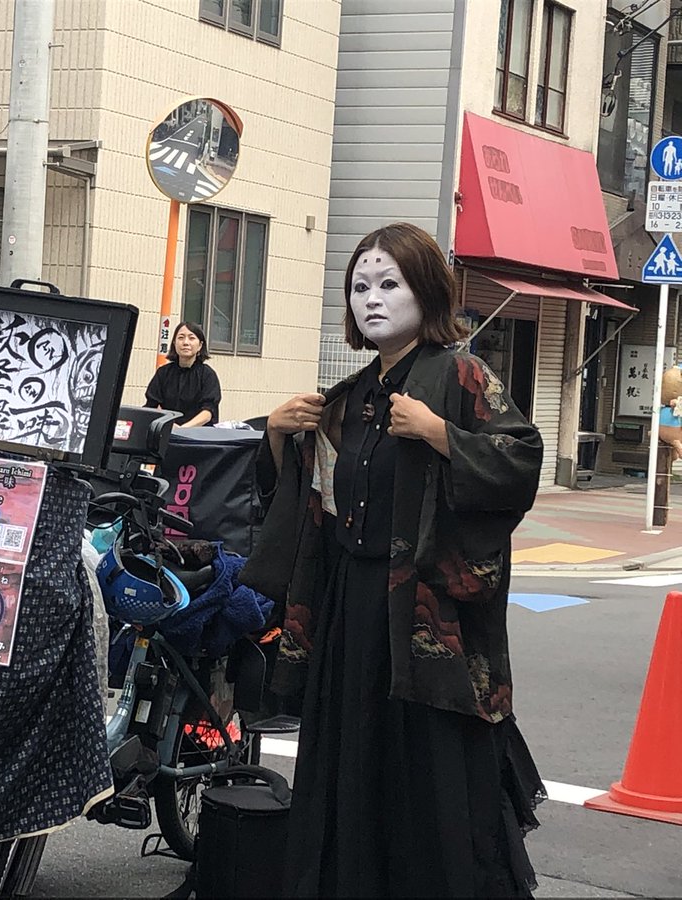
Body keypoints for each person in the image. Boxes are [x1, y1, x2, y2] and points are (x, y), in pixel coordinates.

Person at [242, 222, 545, 897]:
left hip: (423, 620)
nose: (370, 299)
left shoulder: (460, 373)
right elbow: (305, 512)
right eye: (358, 287)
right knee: (351, 769)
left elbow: (521, 457)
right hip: (351, 611)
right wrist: (276, 438)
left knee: (427, 780)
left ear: (426, 291)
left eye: (389, 284)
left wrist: (442, 434)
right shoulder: (346, 399)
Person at [144, 321, 221, 426]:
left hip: (199, 435)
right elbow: (152, 406)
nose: (185, 342)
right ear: (174, 343)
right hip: (167, 433)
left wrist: (183, 429)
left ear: (200, 345)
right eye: (181, 337)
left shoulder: (208, 375)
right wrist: (168, 425)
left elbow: (208, 412)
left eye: (191, 338)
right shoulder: (163, 373)